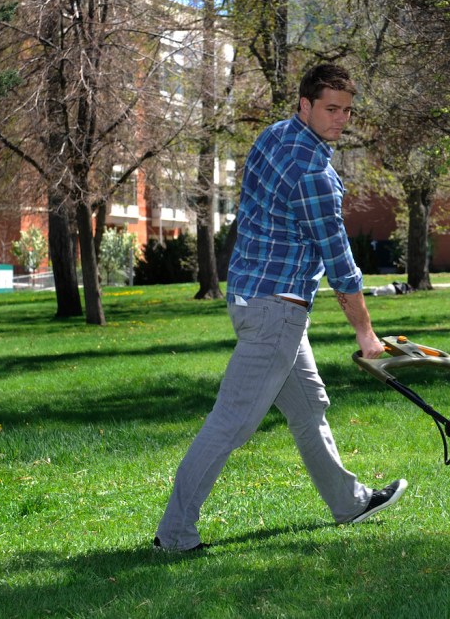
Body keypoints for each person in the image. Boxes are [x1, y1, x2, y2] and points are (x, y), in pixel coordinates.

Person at [154, 63, 406, 552]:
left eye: (347, 110)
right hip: (277, 311)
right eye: (331, 109)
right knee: (232, 422)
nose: (340, 119)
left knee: (309, 405)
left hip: (252, 297)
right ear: (305, 105)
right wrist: (366, 334)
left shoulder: (273, 137)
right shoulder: (315, 175)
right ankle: (175, 533)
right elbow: (340, 262)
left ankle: (349, 501)